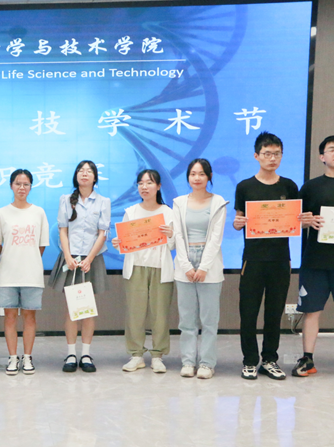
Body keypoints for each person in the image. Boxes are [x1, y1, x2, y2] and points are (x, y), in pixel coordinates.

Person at [233, 132, 305, 380]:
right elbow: (238, 219)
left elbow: (295, 219)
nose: (272, 158)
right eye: (267, 154)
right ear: (256, 156)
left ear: (282, 156)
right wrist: (237, 223)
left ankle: (270, 360)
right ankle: (249, 361)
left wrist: (303, 221)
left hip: (280, 259)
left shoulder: (289, 186)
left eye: (277, 154)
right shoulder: (245, 186)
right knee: (248, 313)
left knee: (274, 313)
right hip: (252, 259)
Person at [49, 160, 110, 373]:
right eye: (81, 171)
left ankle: (85, 353)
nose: (85, 174)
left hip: (91, 260)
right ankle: (70, 354)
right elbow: (62, 229)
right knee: (72, 309)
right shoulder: (66, 199)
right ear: (76, 176)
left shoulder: (103, 202)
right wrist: (67, 256)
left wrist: (89, 258)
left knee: (88, 309)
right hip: (71, 259)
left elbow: (103, 233)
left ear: (95, 177)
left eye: (89, 171)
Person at [112, 170, 174, 373]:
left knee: (160, 314)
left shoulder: (168, 212)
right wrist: (118, 243)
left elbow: (174, 244)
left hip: (160, 267)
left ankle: (157, 356)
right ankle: (136, 355)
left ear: (158, 186)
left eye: (149, 182)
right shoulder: (131, 212)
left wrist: (171, 235)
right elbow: (125, 241)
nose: (144, 187)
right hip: (136, 267)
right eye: (141, 183)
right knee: (135, 313)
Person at [172, 159, 228, 379]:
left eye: (202, 174)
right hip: (184, 264)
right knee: (186, 321)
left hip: (210, 265)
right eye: (193, 174)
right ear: (188, 177)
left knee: (209, 320)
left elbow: (216, 237)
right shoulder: (178, 203)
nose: (197, 178)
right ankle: (188, 362)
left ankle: (206, 364)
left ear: (209, 176)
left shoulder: (218, 202)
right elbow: (177, 235)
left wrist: (204, 267)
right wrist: (186, 265)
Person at [293, 135, 334, 377]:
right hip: (315, 260)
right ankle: (307, 359)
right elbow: (295, 221)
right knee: (311, 311)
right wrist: (306, 221)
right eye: (332, 149)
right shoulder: (310, 187)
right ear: (322, 157)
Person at [0, 169, 50, 376]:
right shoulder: (1, 213)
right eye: (18, 183)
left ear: (31, 187)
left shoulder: (39, 212)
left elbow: (41, 246)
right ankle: (12, 357)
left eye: (26, 184)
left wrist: (28, 259)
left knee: (29, 316)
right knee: (9, 317)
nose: (22, 188)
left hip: (31, 274)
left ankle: (27, 357)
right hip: (7, 274)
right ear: (11, 186)